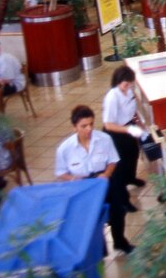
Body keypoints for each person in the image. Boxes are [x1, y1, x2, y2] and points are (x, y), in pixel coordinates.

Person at [55, 105, 134, 254]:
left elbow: (113, 161)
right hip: (83, 186)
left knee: (117, 211)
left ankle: (120, 242)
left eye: (91, 124)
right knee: (92, 218)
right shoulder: (65, 149)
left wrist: (106, 174)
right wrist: (73, 179)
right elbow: (61, 172)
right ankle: (100, 249)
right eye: (83, 126)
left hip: (104, 180)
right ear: (74, 127)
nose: (89, 129)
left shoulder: (104, 139)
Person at [101, 66, 146, 202]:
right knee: (120, 165)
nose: (128, 87)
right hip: (115, 133)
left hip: (128, 126)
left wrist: (139, 123)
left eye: (130, 84)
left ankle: (130, 178)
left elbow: (133, 110)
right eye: (126, 84)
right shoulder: (112, 97)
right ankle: (123, 199)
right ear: (118, 81)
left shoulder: (129, 91)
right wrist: (128, 130)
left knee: (133, 154)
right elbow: (109, 124)